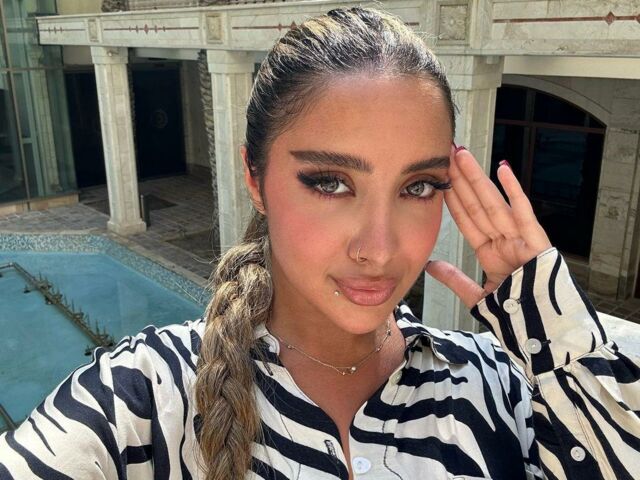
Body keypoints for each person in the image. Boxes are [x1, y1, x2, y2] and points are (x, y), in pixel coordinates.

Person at [1, 6, 639, 480]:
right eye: (331, 182)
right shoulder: (140, 399)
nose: (379, 249)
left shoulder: (495, 385)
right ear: (255, 178)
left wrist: (555, 329)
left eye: (418, 186)